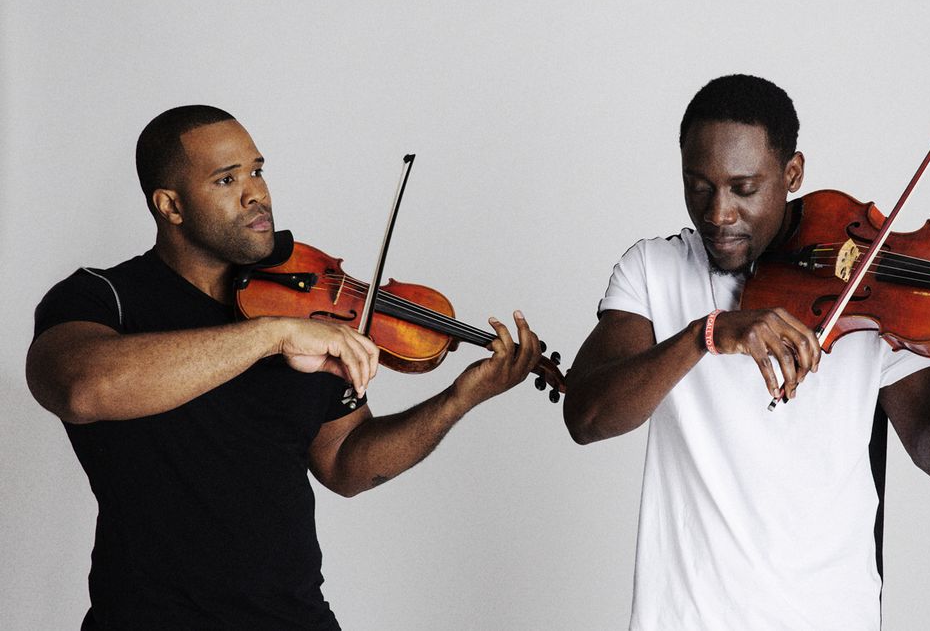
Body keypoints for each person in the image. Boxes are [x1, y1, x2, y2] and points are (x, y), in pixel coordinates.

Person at [563, 75, 930, 630]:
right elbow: (586, 417)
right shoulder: (652, 270)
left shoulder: (865, 286)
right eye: (699, 186)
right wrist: (705, 334)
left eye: (744, 188)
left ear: (792, 175)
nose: (718, 214)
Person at [25, 105, 544, 630]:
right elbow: (81, 389)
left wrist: (460, 398)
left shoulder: (304, 305)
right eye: (227, 179)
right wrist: (271, 336)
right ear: (170, 206)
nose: (256, 194)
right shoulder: (101, 297)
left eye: (257, 170)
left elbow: (345, 463)